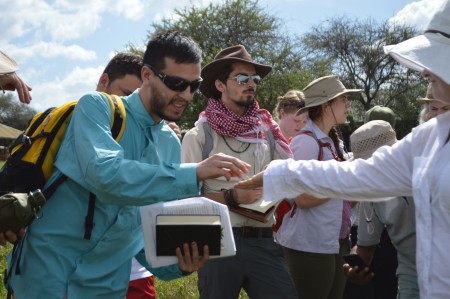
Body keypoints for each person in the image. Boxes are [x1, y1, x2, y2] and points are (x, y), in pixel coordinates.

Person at [3, 30, 251, 299]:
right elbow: (106, 176)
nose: (187, 95)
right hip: (45, 282)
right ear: (147, 75)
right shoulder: (95, 107)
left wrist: (180, 263)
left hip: (106, 291)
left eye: (193, 85)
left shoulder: (170, 143)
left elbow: (146, 238)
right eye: (177, 83)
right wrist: (195, 171)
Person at [235, 1, 450, 298]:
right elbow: (364, 175)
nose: (426, 73)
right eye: (342, 99)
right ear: (326, 105)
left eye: (436, 61)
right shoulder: (432, 135)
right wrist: (280, 174)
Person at [181, 44, 297, 299]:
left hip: (264, 240)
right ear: (220, 85)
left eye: (254, 78)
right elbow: (185, 203)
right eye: (242, 78)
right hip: (216, 244)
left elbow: (290, 178)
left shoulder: (267, 131)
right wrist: (232, 199)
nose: (251, 83)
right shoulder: (199, 136)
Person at [275, 75, 361, 299]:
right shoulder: (306, 141)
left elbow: (340, 197)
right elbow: (302, 199)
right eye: (343, 99)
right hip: (309, 244)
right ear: (327, 104)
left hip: (335, 241)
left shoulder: (331, 141)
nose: (348, 105)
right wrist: (342, 182)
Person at [343, 120, 418, 299]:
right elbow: (365, 249)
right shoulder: (371, 192)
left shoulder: (429, 172)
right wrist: (354, 267)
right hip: (411, 270)